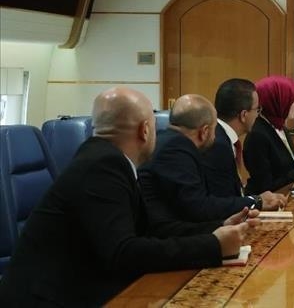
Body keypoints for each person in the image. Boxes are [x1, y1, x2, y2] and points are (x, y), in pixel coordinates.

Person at [0, 87, 257, 306]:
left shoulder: (108, 160)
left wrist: (217, 228)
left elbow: (152, 229)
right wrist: (212, 246)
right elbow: (123, 253)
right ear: (145, 130)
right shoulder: (102, 167)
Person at [138, 94, 286, 223]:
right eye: (215, 130)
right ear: (204, 132)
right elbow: (198, 207)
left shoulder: (168, 141)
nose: (216, 137)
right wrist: (256, 201)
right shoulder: (176, 150)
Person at [202, 78, 259, 197]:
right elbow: (223, 199)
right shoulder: (218, 145)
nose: (257, 115)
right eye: (257, 109)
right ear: (244, 115)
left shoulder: (221, 136)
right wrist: (256, 200)